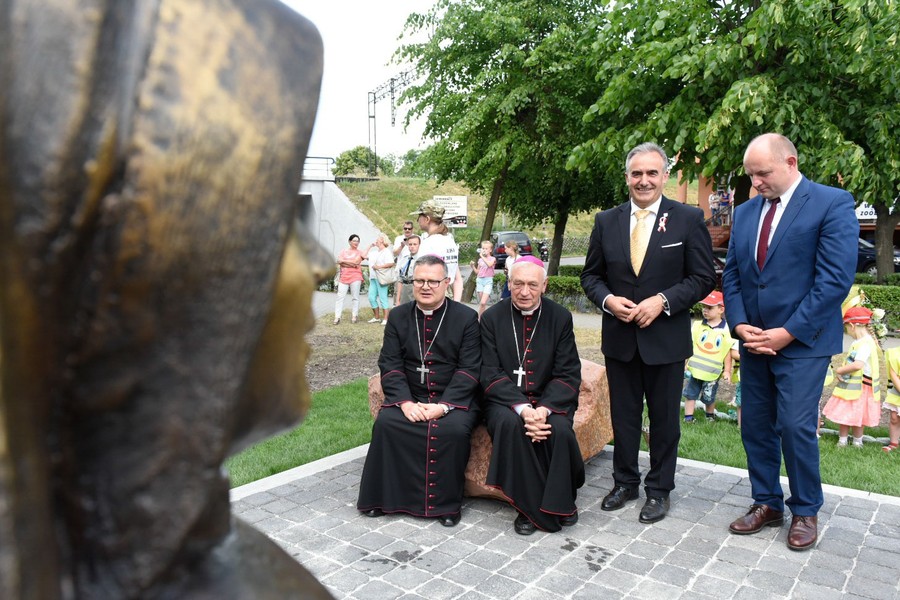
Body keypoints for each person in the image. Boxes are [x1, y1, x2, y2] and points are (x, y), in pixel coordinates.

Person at [722, 133, 858, 551]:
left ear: (791, 162)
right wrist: (740, 325)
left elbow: (833, 281)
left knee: (796, 427)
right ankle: (766, 503)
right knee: (756, 426)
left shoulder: (832, 203)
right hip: (754, 340)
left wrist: (787, 333)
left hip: (802, 342)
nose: (756, 182)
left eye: (762, 173)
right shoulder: (745, 213)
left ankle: (805, 510)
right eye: (751, 175)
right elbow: (732, 275)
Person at [581, 142, 715, 524]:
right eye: (636, 173)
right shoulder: (606, 220)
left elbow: (703, 277)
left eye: (651, 173)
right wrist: (608, 301)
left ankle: (659, 490)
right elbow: (591, 276)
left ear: (664, 176)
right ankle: (624, 482)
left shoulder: (688, 218)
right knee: (623, 418)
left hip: (666, 340)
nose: (644, 180)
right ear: (627, 177)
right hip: (620, 339)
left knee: (664, 421)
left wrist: (663, 301)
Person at [357, 255, 481, 527]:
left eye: (433, 281)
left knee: (451, 431)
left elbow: (469, 369)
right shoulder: (400, 315)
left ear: (446, 283)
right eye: (419, 280)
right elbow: (389, 363)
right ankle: (383, 499)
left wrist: (444, 405)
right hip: (410, 396)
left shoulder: (466, 318)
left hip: (453, 399)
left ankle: (445, 506)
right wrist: (404, 402)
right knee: (388, 424)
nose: (426, 286)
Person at [480, 256, 584, 535]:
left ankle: (562, 501)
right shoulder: (491, 318)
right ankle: (528, 508)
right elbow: (489, 372)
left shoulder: (560, 317)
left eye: (532, 285)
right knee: (512, 426)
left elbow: (568, 373)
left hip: (550, 400)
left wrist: (543, 410)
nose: (525, 292)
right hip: (505, 402)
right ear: (509, 283)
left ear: (544, 285)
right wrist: (524, 409)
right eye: (518, 284)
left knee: (559, 429)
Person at [822, 307, 882, 447]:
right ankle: (848, 440)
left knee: (856, 414)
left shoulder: (865, 343)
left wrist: (840, 370)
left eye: (847, 329)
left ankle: (855, 441)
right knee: (847, 413)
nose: (847, 333)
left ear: (853, 326)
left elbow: (857, 365)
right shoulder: (861, 342)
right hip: (853, 387)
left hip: (860, 388)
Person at [683, 291, 732, 423]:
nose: (705, 310)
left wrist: (727, 370)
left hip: (713, 372)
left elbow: (727, 351)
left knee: (710, 396)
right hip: (695, 370)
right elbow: (690, 345)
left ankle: (709, 416)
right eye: (704, 307)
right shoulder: (698, 325)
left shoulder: (726, 329)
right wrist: (685, 362)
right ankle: (688, 417)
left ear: (721, 309)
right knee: (690, 394)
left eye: (709, 308)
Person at [413, 200, 462, 299]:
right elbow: (457, 279)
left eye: (419, 217)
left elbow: (421, 278)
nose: (417, 220)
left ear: (427, 219)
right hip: (448, 296)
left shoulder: (428, 243)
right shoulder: (450, 240)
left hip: (432, 296)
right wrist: (456, 305)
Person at [334, 234, 368, 324]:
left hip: (356, 276)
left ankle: (354, 316)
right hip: (344, 276)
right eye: (354, 241)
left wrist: (345, 262)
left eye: (357, 241)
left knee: (355, 297)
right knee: (340, 297)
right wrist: (352, 264)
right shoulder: (343, 251)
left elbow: (357, 263)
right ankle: (337, 317)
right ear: (349, 241)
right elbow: (339, 261)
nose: (356, 242)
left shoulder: (360, 252)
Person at [366, 234, 395, 324]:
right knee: (371, 297)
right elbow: (364, 255)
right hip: (373, 278)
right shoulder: (376, 252)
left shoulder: (386, 251)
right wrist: (370, 246)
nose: (376, 241)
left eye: (377, 239)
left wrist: (379, 267)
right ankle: (377, 317)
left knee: (383, 298)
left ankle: (386, 319)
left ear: (382, 240)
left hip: (382, 278)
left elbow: (391, 263)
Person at [883, 347, 900, 452]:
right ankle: (893, 443)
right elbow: (893, 374)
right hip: (897, 389)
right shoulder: (894, 353)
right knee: (894, 417)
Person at [473, 240, 496, 319]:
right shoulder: (480, 260)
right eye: (483, 248)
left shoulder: (493, 258)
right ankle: (482, 319)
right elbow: (477, 272)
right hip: (480, 280)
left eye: (486, 248)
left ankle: (479, 318)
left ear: (490, 250)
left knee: (483, 303)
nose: (484, 250)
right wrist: (472, 266)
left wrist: (482, 256)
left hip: (488, 281)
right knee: (482, 304)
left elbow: (489, 265)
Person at [395, 235, 420, 305]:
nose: (412, 246)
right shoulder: (405, 259)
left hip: (415, 288)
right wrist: (398, 300)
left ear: (419, 245)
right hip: (404, 288)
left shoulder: (421, 260)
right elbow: (400, 280)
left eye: (415, 244)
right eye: (410, 244)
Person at [393, 220, 415, 299]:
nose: (407, 230)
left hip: (412, 272)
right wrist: (402, 246)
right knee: (398, 294)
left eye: (409, 229)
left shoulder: (417, 238)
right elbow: (395, 253)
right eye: (405, 228)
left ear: (412, 229)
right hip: (400, 271)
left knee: (412, 295)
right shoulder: (399, 238)